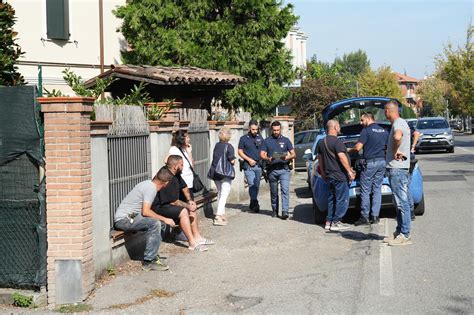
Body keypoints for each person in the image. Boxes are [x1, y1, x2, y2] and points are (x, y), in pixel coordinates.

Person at [114, 167, 174, 271]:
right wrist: (165, 219)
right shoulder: (151, 188)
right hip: (123, 220)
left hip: (131, 217)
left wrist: (163, 220)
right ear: (167, 183)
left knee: (160, 223)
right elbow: (145, 212)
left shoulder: (148, 183)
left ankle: (153, 255)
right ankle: (148, 261)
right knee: (156, 223)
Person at [152, 156, 213, 252]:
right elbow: (173, 201)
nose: (183, 166)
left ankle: (197, 237)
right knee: (184, 211)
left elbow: (184, 187)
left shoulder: (176, 173)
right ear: (175, 166)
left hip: (168, 203)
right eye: (182, 165)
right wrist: (188, 206)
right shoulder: (167, 176)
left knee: (192, 207)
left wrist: (190, 201)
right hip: (158, 207)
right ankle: (192, 243)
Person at [348, 112, 388, 225]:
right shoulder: (383, 131)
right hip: (382, 162)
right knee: (377, 189)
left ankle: (365, 216)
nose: (360, 123)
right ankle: (375, 216)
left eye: (362, 120)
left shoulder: (366, 131)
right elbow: (388, 147)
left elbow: (358, 147)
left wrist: (348, 150)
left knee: (365, 190)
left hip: (370, 163)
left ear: (368, 118)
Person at [317, 120, 355, 231]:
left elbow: (320, 159)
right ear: (334, 127)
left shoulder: (321, 142)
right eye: (338, 126)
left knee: (331, 199)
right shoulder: (337, 142)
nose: (339, 128)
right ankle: (337, 222)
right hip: (339, 175)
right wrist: (349, 171)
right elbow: (342, 157)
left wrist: (323, 172)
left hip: (329, 175)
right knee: (341, 199)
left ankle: (328, 221)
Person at [384, 100, 412, 246]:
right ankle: (399, 232)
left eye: (385, 110)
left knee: (401, 202)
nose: (384, 113)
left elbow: (397, 136)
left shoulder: (398, 123)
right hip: (398, 169)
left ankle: (405, 235)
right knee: (399, 202)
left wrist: (394, 151)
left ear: (389, 110)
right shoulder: (400, 122)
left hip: (397, 169)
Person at [260, 121, 296, 220]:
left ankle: (285, 211)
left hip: (284, 169)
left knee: (285, 190)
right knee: (274, 192)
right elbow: (262, 154)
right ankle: (274, 210)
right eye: (274, 130)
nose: (276, 132)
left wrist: (287, 157)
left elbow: (293, 154)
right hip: (272, 170)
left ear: (280, 129)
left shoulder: (286, 140)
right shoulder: (266, 141)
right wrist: (268, 158)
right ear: (272, 129)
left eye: (278, 130)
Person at [208, 127, 236, 226]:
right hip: (225, 173)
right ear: (229, 136)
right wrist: (234, 162)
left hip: (215, 172)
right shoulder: (229, 147)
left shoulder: (217, 145)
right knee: (224, 194)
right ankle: (218, 216)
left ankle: (222, 214)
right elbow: (232, 160)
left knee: (220, 193)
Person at [238, 120, 264, 212]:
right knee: (251, 184)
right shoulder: (243, 138)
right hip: (248, 166)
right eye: (253, 129)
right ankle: (255, 202)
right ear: (249, 128)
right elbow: (240, 151)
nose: (255, 131)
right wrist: (249, 160)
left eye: (256, 129)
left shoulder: (260, 138)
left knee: (256, 185)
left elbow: (263, 150)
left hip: (259, 166)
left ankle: (252, 202)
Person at [168, 130, 195, 196]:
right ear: (181, 139)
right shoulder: (174, 149)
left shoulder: (184, 149)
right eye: (187, 137)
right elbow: (166, 160)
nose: (189, 139)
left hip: (189, 183)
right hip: (181, 184)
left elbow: (192, 166)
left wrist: (189, 152)